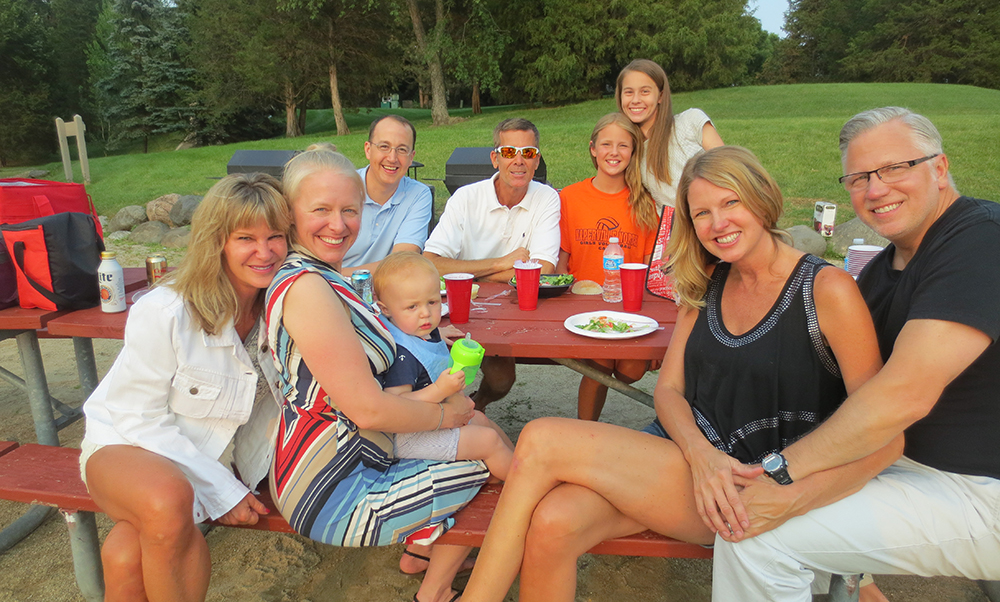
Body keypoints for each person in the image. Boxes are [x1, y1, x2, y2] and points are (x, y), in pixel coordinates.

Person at [460, 146, 902, 602]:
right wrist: (699, 454)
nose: (718, 223)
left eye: (731, 203)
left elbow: (885, 432)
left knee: (541, 439)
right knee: (554, 522)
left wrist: (790, 494)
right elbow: (669, 390)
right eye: (702, 213)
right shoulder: (707, 282)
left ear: (761, 198)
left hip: (748, 485)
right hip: (688, 461)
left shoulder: (827, 289)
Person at [711, 108, 1000, 601]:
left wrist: (783, 470)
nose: (876, 189)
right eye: (860, 177)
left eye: (895, 168)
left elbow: (904, 396)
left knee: (754, 535)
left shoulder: (980, 239)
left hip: (975, 488)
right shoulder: (877, 272)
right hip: (899, 467)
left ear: (940, 167)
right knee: (751, 504)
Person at [265, 148, 490, 602]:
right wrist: (448, 414)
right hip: (336, 487)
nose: (339, 223)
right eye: (321, 210)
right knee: (491, 465)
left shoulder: (324, 274)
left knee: (484, 432)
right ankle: (435, 587)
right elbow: (368, 409)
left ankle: (426, 551)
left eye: (350, 209)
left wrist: (428, 336)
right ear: (290, 215)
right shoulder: (308, 288)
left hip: (346, 455)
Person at [79, 173, 290, 601]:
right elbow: (136, 416)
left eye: (276, 237)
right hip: (124, 443)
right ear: (217, 241)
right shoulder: (167, 310)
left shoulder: (285, 307)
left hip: (206, 457)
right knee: (167, 501)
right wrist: (223, 489)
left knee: (125, 553)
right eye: (245, 237)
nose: (264, 252)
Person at [424, 117, 560, 411]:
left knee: (500, 381)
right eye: (509, 152)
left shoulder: (546, 197)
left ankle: (478, 404)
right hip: (462, 306)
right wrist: (504, 263)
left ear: (537, 160)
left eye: (529, 153)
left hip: (513, 307)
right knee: (436, 368)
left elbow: (544, 271)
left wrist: (466, 269)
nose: (519, 161)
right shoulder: (466, 198)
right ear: (495, 158)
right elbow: (430, 265)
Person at [373, 251, 514, 479]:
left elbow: (423, 325)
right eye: (412, 307)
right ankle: (524, 487)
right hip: (409, 437)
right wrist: (439, 390)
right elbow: (396, 404)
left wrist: (437, 330)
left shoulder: (419, 331)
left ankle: (520, 465)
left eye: (432, 302)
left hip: (431, 420)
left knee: (481, 419)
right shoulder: (402, 354)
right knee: (488, 442)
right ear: (385, 309)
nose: (425, 314)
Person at [556, 113, 657, 420]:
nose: (614, 152)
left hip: (628, 305)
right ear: (593, 149)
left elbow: (650, 267)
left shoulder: (645, 202)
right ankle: (585, 432)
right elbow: (562, 259)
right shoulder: (569, 197)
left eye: (624, 145)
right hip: (583, 305)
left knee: (631, 369)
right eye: (606, 144)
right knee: (599, 365)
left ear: (634, 152)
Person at [616, 58, 724, 298]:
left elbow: (728, 166)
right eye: (628, 92)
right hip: (679, 243)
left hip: (717, 224)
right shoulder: (632, 150)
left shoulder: (689, 122)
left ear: (661, 96)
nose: (635, 100)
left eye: (645, 91)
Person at [342, 115, 433, 274]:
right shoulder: (341, 188)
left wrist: (337, 275)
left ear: (411, 157)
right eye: (384, 146)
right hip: (328, 289)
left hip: (382, 289)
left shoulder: (418, 194)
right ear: (368, 150)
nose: (392, 158)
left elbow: (402, 263)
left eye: (402, 150)